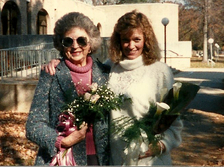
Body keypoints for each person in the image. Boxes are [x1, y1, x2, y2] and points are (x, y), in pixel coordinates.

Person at [43, 10, 183, 166]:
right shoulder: (110, 67)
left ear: (146, 40)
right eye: (125, 40)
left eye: (137, 39)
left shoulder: (161, 72)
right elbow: (81, 65)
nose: (131, 45)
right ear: (118, 41)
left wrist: (161, 145)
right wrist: (58, 63)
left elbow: (174, 121)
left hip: (148, 158)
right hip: (114, 158)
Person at [26, 12, 110, 166]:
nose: (75, 45)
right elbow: (33, 125)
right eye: (68, 41)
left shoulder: (105, 73)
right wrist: (61, 141)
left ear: (90, 44)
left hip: (100, 159)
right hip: (62, 158)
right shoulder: (51, 74)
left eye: (81, 40)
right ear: (61, 44)